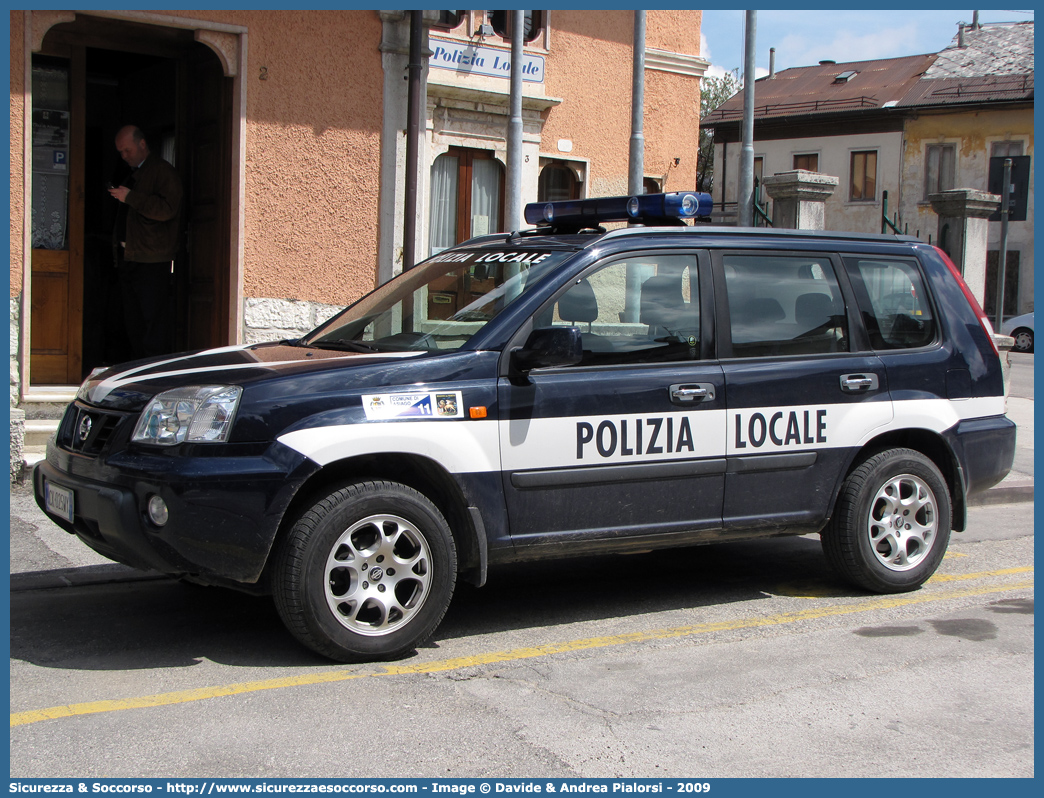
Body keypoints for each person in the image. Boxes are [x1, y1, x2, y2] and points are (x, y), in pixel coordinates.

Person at [108, 124, 182, 359]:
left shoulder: (162, 171)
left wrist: (130, 197)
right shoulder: (131, 172)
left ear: (142, 144)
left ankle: (153, 371)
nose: (124, 156)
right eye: (120, 152)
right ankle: (137, 368)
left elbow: (167, 209)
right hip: (130, 257)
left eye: (127, 150)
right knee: (134, 321)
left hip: (151, 259)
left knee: (153, 321)